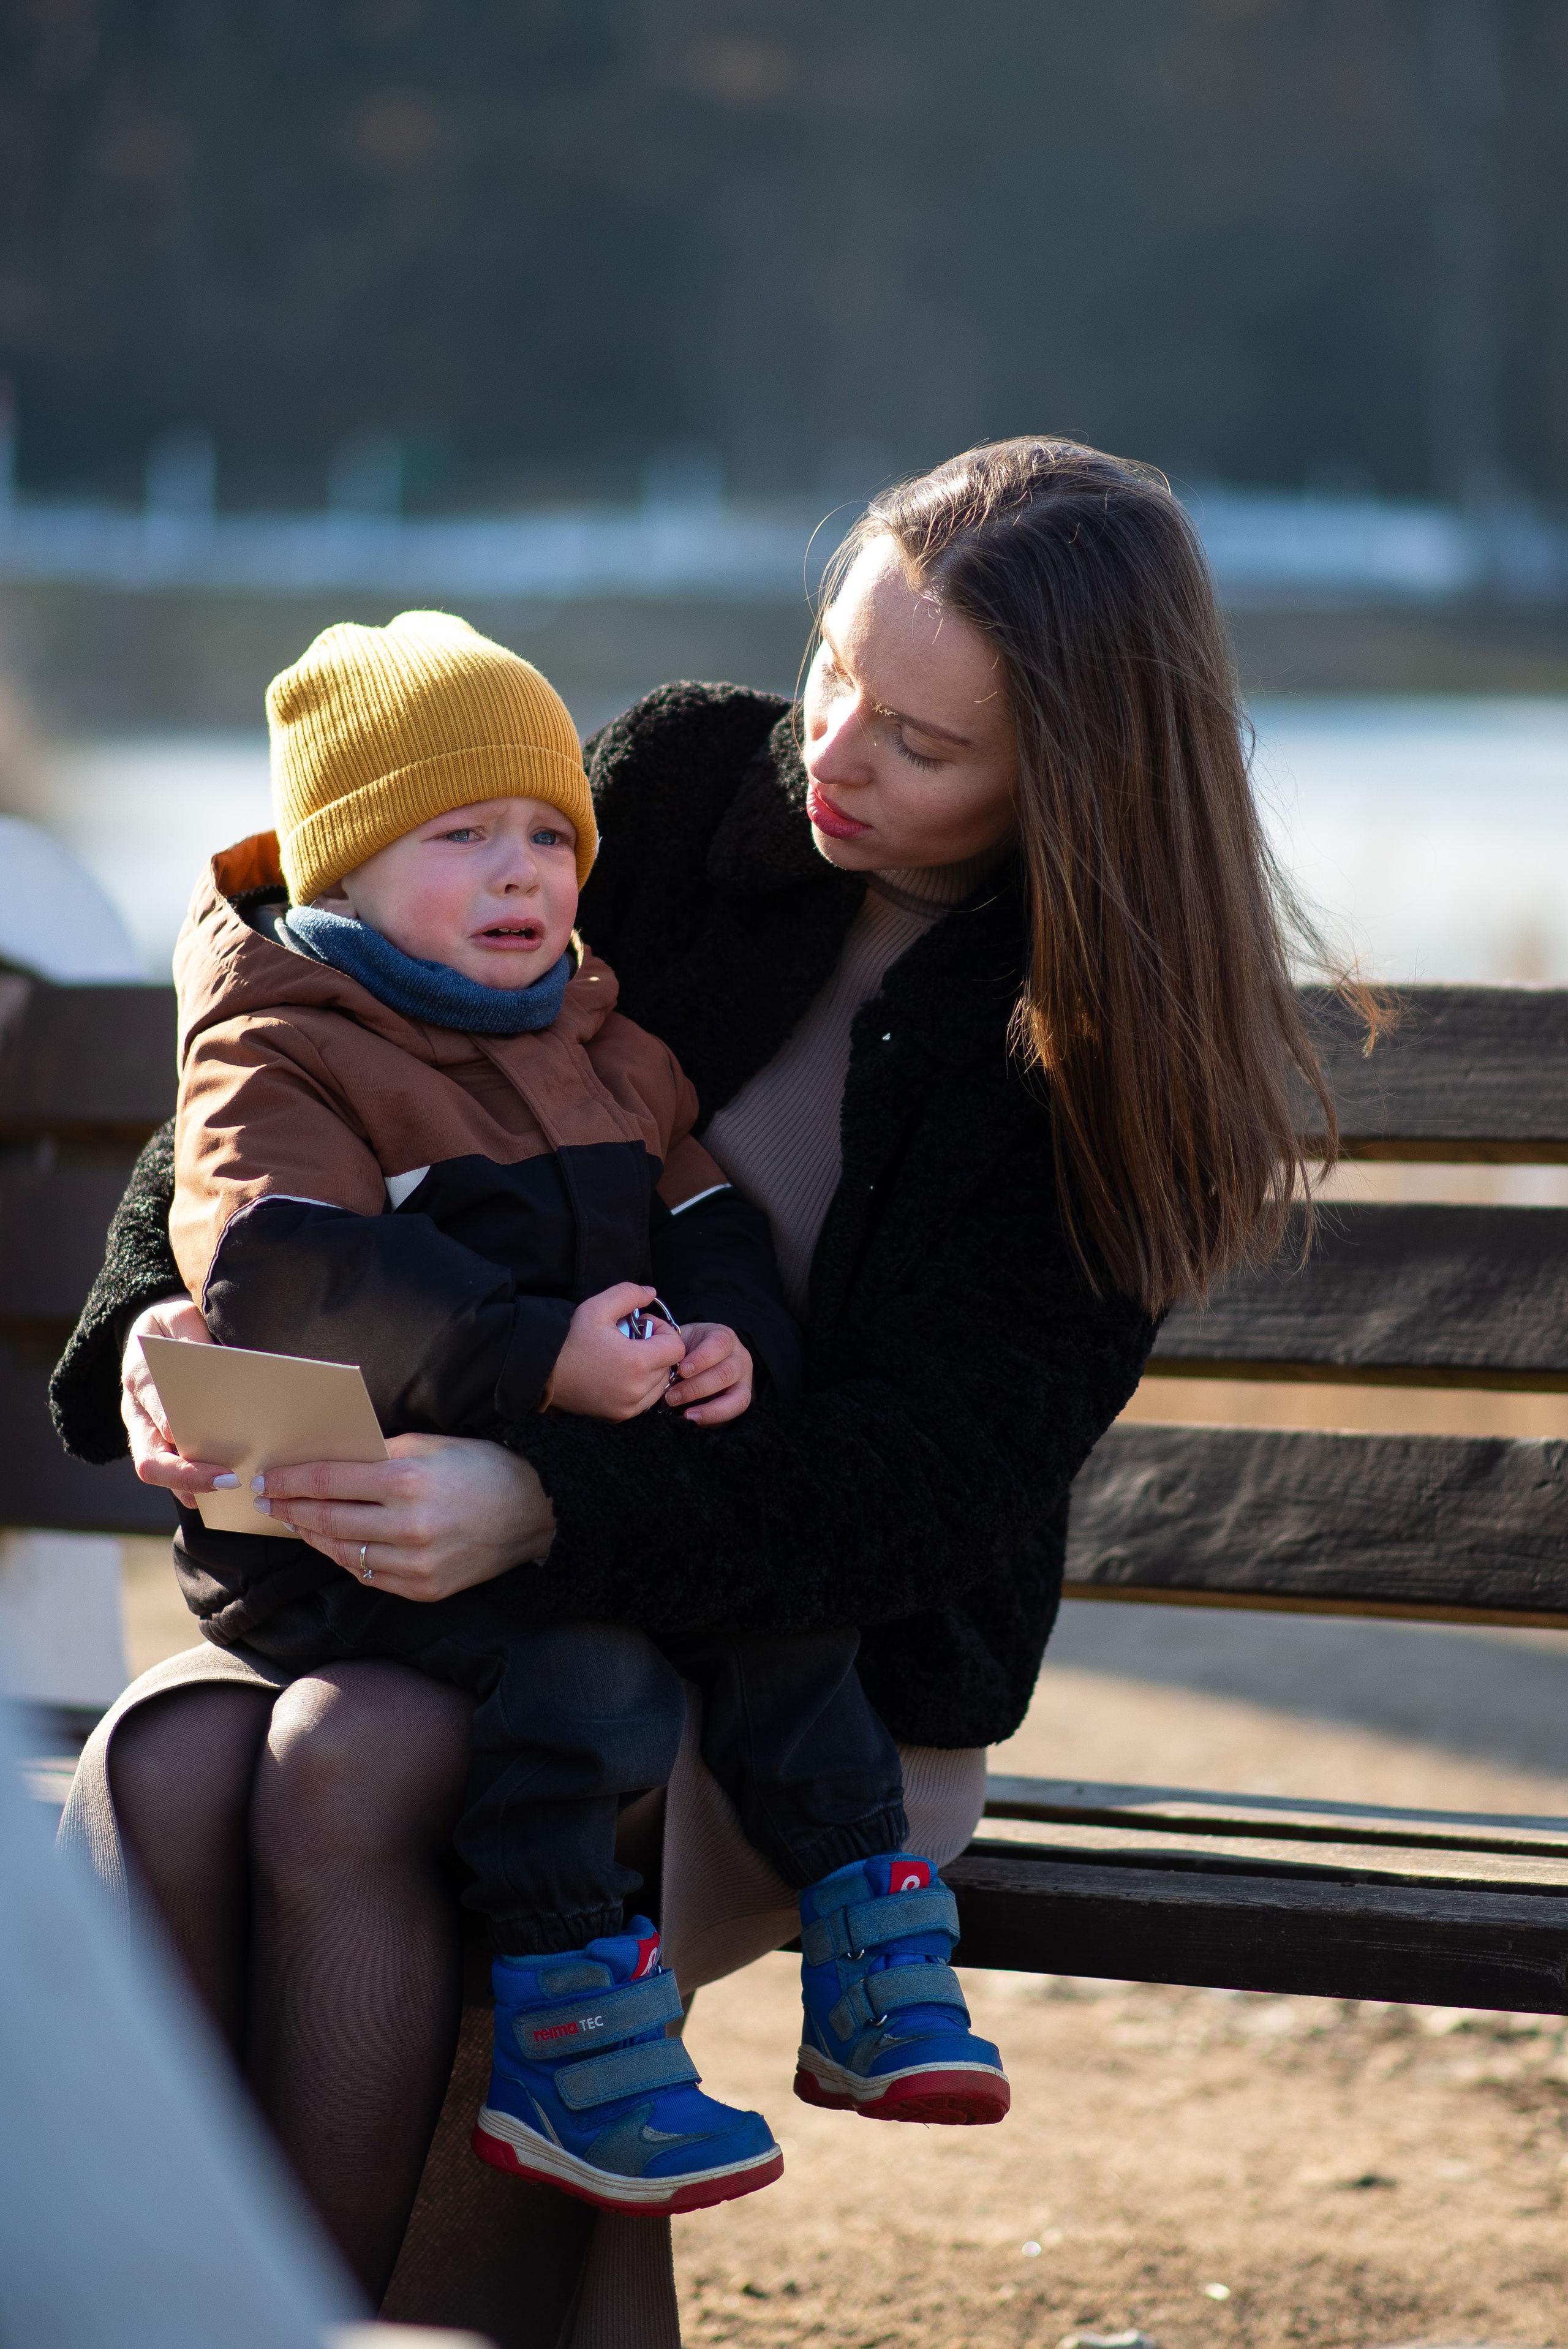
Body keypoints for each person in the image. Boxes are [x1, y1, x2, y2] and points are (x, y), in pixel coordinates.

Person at [51, 439, 1345, 2336]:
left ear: (1068, 779)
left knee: (349, 1776)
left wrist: (545, 1510)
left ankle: (314, 2326)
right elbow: (317, 1022)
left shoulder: (1103, 1049)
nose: (831, 752)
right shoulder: (669, 791)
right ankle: (140, 2308)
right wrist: (159, 1332)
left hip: (804, 1688)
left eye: (920, 741)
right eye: (835, 667)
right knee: (170, 1763)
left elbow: (921, 1487)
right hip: (426, 1568)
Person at [162, 608, 1008, 2217]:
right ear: (341, 868)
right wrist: (544, 1353)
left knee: (787, 1628)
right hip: (352, 1528)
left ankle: (868, 1929)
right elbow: (289, 1278)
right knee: (586, 1679)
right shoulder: (286, 1047)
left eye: (551, 837)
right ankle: (566, 2016)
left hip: (571, 1499)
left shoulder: (593, 1037)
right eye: (461, 835)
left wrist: (733, 1346)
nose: (523, 873)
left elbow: (708, 1222)